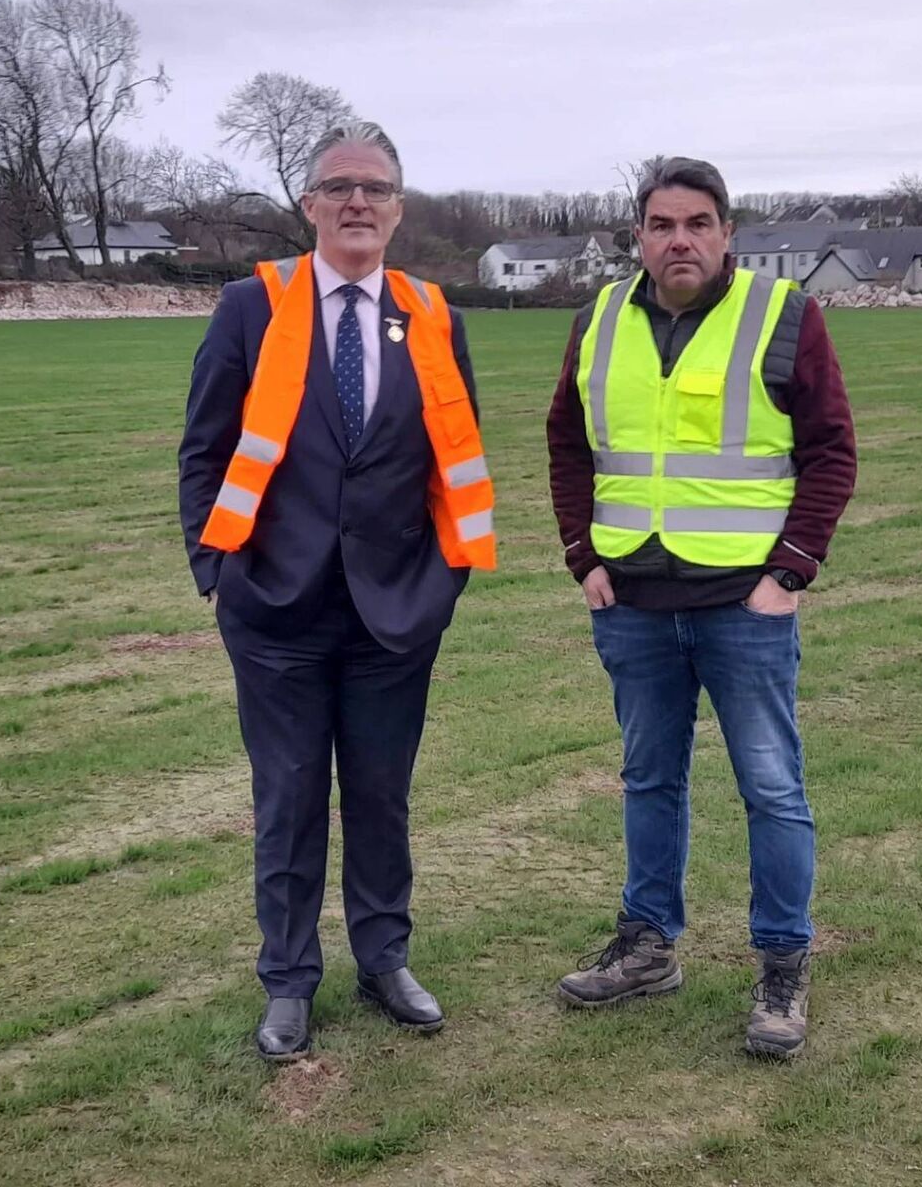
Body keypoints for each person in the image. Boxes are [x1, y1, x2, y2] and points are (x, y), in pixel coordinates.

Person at [179, 120, 494, 1061]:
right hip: (273, 607)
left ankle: (384, 958)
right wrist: (218, 574)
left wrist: (444, 585)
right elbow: (204, 450)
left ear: (398, 211)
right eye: (339, 186)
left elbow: (457, 457)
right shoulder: (251, 305)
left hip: (397, 610)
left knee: (381, 796)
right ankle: (288, 980)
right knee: (286, 799)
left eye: (376, 189)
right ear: (309, 206)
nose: (358, 202)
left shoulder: (434, 314)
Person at [546, 155, 855, 1058]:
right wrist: (582, 556)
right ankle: (648, 946)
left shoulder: (784, 314)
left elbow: (830, 451)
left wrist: (788, 573)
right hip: (632, 600)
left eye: (697, 224)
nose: (678, 240)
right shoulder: (599, 318)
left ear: (728, 234)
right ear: (637, 237)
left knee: (771, 787)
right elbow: (569, 443)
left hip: (743, 605)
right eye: (660, 225)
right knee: (649, 779)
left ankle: (783, 967)